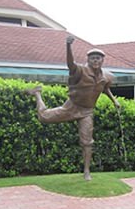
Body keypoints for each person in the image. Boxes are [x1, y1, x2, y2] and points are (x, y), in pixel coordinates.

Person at [25, 35, 121, 180]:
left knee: (87, 142)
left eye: (98, 58)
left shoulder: (107, 76)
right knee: (43, 117)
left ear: (103, 60)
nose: (95, 60)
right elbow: (70, 64)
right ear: (88, 60)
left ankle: (87, 171)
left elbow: (104, 88)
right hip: (72, 107)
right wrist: (68, 46)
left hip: (87, 112)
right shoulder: (80, 71)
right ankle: (37, 94)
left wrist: (114, 100)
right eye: (93, 58)